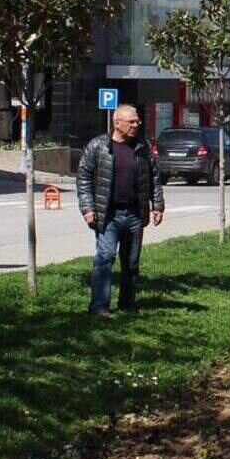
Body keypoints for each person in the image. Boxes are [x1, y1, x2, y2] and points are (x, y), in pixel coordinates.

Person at [77, 104, 164, 317]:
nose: (136, 125)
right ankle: (99, 307)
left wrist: (158, 205)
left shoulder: (142, 146)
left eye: (137, 121)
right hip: (108, 214)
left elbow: (154, 177)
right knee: (105, 258)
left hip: (135, 214)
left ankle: (127, 304)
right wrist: (87, 208)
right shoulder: (98, 146)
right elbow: (83, 177)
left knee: (131, 262)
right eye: (131, 121)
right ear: (117, 123)